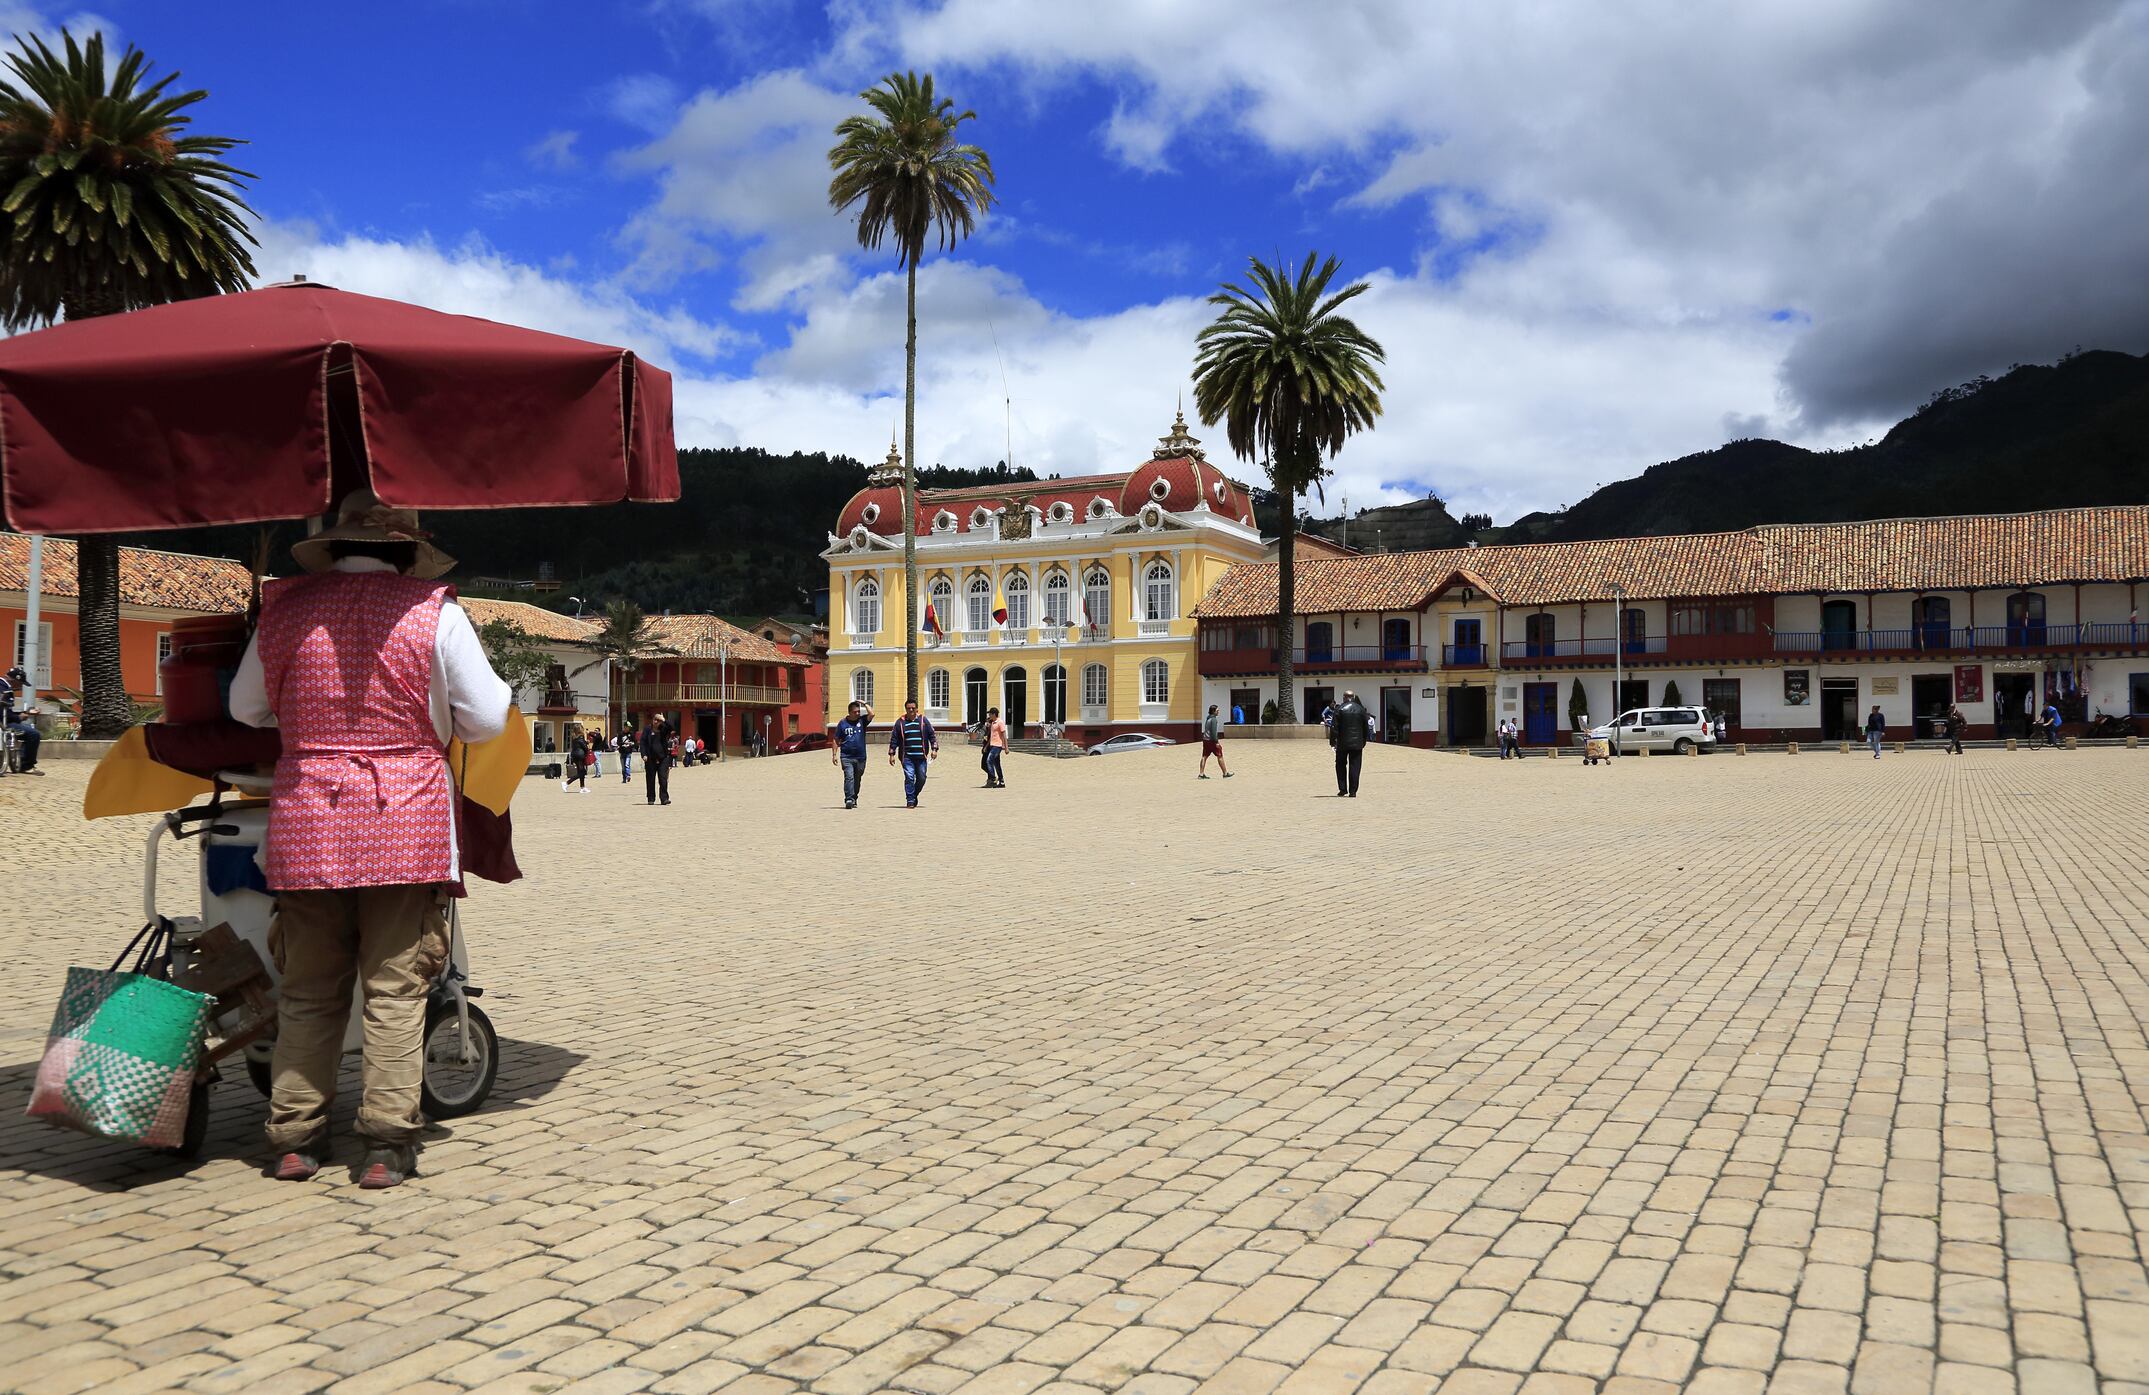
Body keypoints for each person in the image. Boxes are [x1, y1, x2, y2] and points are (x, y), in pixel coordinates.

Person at [229, 490, 510, 1189]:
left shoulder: (285, 610)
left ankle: (294, 1138)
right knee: (393, 988)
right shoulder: (434, 614)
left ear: (334, 546)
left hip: (308, 817)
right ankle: (384, 1145)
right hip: (404, 821)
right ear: (407, 551)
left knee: (308, 988)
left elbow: (244, 708)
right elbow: (486, 717)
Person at [887, 698, 938, 808]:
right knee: (909, 777)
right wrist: (892, 754)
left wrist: (934, 749)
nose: (911, 710)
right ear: (906, 709)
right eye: (908, 708)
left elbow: (932, 735)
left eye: (913, 708)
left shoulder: (923, 721)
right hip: (907, 757)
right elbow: (894, 739)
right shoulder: (900, 722)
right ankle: (910, 800)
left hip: (921, 756)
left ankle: (914, 795)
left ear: (917, 709)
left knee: (922, 778)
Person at [831, 699, 872, 808]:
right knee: (849, 777)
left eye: (859, 711)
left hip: (861, 757)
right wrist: (834, 754)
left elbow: (872, 714)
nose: (858, 713)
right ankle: (848, 799)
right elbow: (836, 739)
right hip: (846, 756)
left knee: (857, 778)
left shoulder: (862, 721)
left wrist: (864, 703)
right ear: (849, 712)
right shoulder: (842, 723)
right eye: (855, 712)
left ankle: (854, 797)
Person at [1329, 690, 1370, 797]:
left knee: (1340, 765)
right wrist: (1363, 741)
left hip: (1342, 743)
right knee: (1355, 766)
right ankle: (1353, 791)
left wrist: (1333, 742)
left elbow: (1334, 728)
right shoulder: (1361, 710)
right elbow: (1366, 727)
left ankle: (1343, 789)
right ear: (1354, 697)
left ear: (1344, 697)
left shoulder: (1339, 709)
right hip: (1357, 743)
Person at [1, 664, 40, 774]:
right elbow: (3, 714)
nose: (21, 687)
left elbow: (6, 712)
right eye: (21, 684)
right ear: (15, 681)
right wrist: (19, 717)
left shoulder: (4, 686)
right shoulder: (4, 688)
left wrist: (25, 713)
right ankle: (25, 765)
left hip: (5, 720)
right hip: (3, 724)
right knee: (33, 734)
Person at [642, 717, 673, 805]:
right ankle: (651, 798)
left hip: (663, 758)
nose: (655, 722)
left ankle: (664, 798)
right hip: (650, 758)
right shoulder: (647, 729)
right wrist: (643, 754)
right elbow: (643, 742)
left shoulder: (664, 729)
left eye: (658, 720)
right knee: (650, 779)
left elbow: (671, 728)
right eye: (654, 719)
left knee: (663, 779)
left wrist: (664, 720)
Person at [1199, 704, 1233, 779]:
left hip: (1205, 740)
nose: (1218, 712)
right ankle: (1225, 773)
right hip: (1212, 740)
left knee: (1204, 756)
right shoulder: (1214, 719)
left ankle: (1201, 774)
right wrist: (1216, 742)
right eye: (1217, 710)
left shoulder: (1208, 719)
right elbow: (1213, 732)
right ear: (1213, 711)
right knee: (1220, 755)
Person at [981, 705, 1008, 788]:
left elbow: (1004, 735)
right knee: (997, 764)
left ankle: (992, 778)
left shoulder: (1000, 722)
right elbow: (992, 736)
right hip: (992, 745)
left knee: (989, 760)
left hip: (998, 746)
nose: (989, 716)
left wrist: (1006, 747)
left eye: (990, 714)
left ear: (994, 714)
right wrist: (986, 746)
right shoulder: (992, 723)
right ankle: (1002, 782)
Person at [563, 725, 589, 792]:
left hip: (575, 755)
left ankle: (582, 787)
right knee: (582, 772)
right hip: (580, 755)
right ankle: (567, 783)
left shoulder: (574, 737)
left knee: (581, 771)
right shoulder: (580, 737)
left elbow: (579, 744)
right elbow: (585, 747)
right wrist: (587, 747)